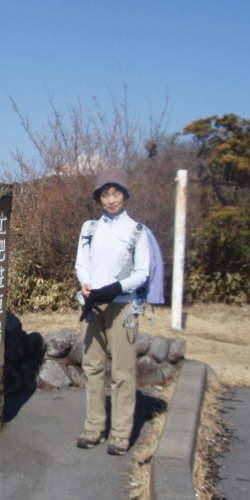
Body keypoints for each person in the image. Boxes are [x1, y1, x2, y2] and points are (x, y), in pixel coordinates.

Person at [74, 167, 149, 455]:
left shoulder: (137, 230)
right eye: (105, 194)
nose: (111, 199)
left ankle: (120, 434)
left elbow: (142, 272)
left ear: (125, 195)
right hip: (91, 305)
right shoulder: (89, 228)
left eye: (116, 193)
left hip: (123, 307)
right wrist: (87, 286)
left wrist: (115, 289)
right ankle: (93, 428)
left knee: (122, 371)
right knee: (92, 368)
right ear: (99, 197)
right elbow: (82, 263)